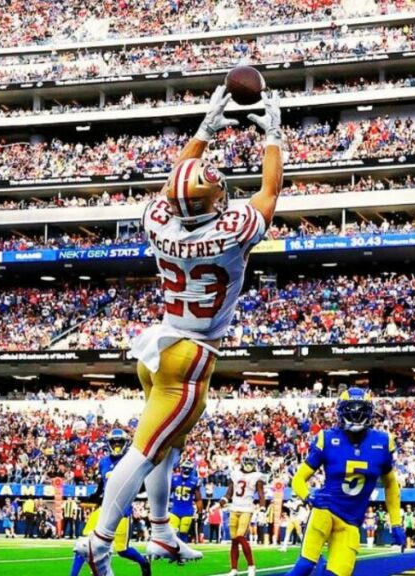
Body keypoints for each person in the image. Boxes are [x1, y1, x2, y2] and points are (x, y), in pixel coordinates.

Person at [76, 84, 283, 576]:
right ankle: (99, 541)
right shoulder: (231, 230)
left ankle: (161, 530)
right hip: (189, 355)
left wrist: (204, 131)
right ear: (215, 202)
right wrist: (273, 133)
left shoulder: (157, 220)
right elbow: (270, 190)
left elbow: (175, 185)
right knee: (145, 451)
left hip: (159, 345)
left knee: (168, 444)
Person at [284, 388, 406, 576]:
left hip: (352, 521)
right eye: (351, 409)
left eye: (360, 409)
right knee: (305, 566)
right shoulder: (327, 438)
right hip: (325, 510)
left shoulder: (383, 442)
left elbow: (391, 485)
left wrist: (396, 522)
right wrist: (309, 497)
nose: (356, 414)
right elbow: (298, 479)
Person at [71, 429, 150, 576]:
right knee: (83, 544)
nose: (118, 445)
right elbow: (101, 487)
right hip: (104, 508)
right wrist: (91, 497)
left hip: (122, 510)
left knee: (122, 550)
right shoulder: (104, 462)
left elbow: (142, 485)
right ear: (109, 444)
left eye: (120, 442)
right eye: (115, 442)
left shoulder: (131, 461)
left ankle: (144, 562)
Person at [227, 455, 266, 576]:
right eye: (247, 462)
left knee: (240, 536)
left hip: (246, 508)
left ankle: (251, 566)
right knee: (234, 540)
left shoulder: (257, 476)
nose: (249, 464)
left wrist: (263, 508)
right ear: (243, 462)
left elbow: (261, 494)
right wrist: (221, 502)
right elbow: (229, 493)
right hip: (234, 507)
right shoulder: (234, 474)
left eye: (251, 462)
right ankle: (234, 569)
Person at [169, 460, 202, 542]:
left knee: (183, 534)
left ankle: (181, 552)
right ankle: (174, 551)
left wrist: (199, 511)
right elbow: (198, 499)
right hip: (177, 510)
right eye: (185, 468)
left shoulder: (175, 478)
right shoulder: (174, 478)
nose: (186, 470)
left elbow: (198, 498)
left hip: (184, 510)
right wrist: (199, 511)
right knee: (173, 533)